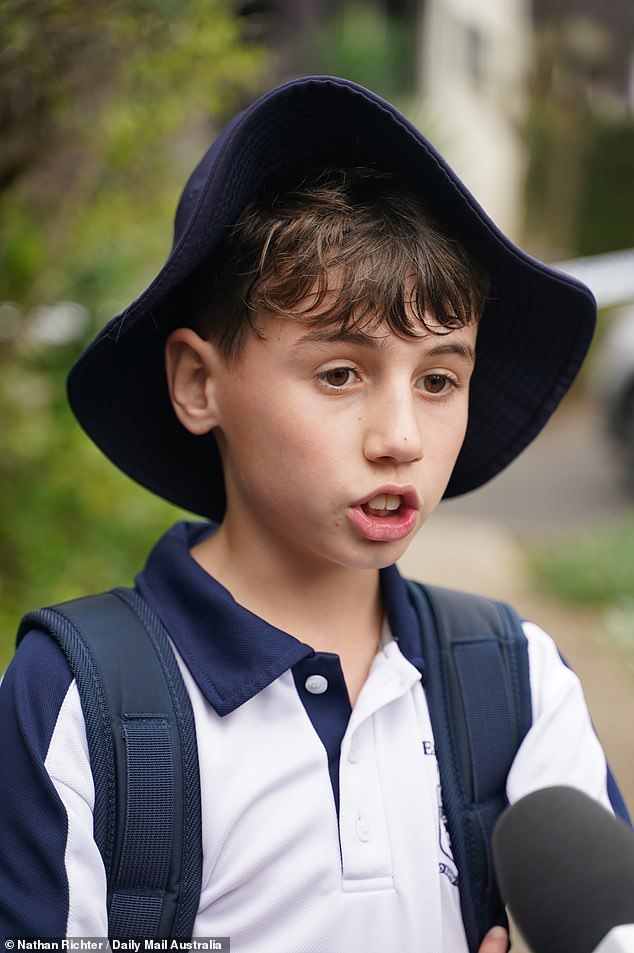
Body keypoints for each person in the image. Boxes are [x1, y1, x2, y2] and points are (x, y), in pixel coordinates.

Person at [0, 75, 628, 952]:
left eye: (440, 379)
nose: (401, 437)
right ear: (199, 381)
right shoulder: (80, 702)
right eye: (340, 373)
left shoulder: (518, 683)